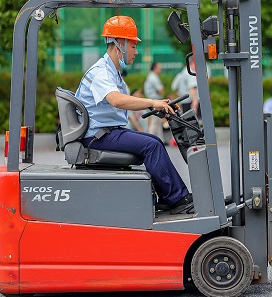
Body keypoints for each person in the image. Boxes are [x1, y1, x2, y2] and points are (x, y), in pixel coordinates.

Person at [75, 16, 193, 215]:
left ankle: (168, 197)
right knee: (153, 145)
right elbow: (117, 100)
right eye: (133, 46)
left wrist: (156, 106)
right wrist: (152, 102)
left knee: (153, 141)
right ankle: (178, 199)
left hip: (106, 133)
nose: (136, 52)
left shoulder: (113, 72)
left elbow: (123, 100)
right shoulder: (101, 72)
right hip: (98, 137)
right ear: (119, 44)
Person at [144, 62, 165, 140]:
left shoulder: (152, 76)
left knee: (158, 121)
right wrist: (162, 87)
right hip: (154, 101)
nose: (161, 70)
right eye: (159, 68)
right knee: (154, 121)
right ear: (155, 68)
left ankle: (160, 139)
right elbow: (160, 90)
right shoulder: (153, 77)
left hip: (153, 100)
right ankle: (150, 139)